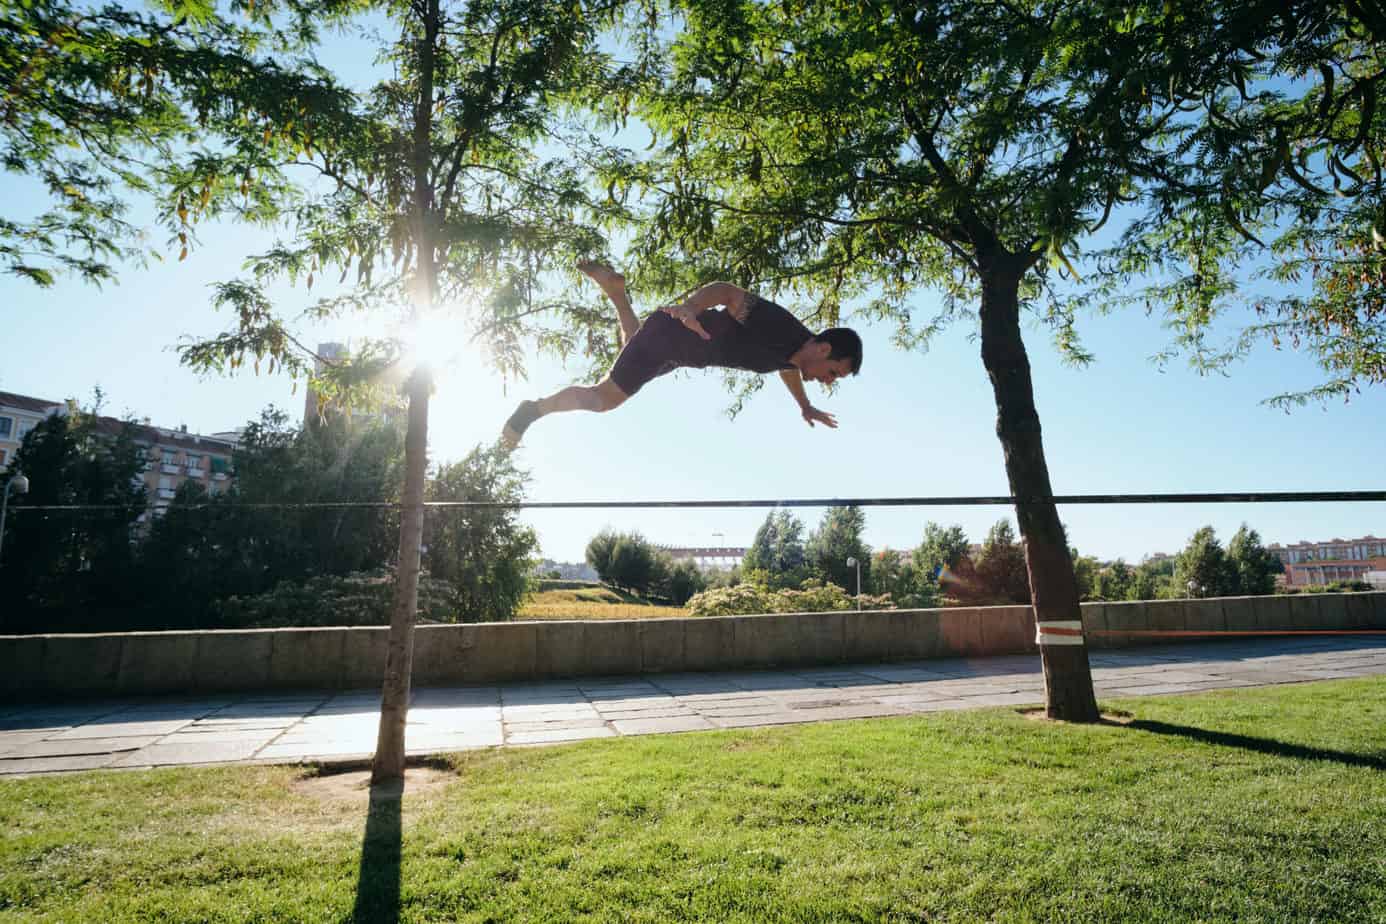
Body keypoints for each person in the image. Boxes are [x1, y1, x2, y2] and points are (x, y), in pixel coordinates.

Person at [501, 261, 863, 447]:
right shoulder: (782, 327)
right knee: (602, 398)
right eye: (834, 372)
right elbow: (727, 291)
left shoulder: (794, 355)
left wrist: (803, 405)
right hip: (674, 336)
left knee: (630, 346)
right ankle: (531, 411)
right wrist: (690, 308)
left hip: (675, 351)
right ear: (825, 348)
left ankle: (615, 292)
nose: (828, 381)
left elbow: (786, 369)